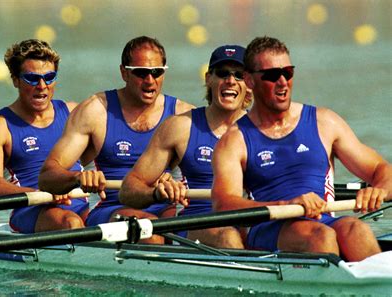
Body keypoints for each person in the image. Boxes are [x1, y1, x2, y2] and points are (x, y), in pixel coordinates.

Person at [211, 36, 391, 261]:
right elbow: (223, 204)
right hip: (270, 228)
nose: (283, 82)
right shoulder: (234, 141)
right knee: (320, 237)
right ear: (249, 81)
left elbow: (382, 170)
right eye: (272, 75)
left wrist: (379, 191)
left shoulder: (325, 122)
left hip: (322, 220)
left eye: (288, 72)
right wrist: (286, 204)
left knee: (357, 230)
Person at [38, 36, 194, 244]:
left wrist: (179, 183)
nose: (150, 80)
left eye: (157, 72)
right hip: (112, 211)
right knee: (151, 232)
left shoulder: (184, 115)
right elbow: (47, 176)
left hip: (164, 211)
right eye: (141, 72)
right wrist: (77, 178)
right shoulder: (96, 111)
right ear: (124, 72)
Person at [119, 45, 251, 248]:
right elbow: (128, 190)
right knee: (229, 237)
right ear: (208, 79)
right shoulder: (181, 127)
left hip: (249, 221)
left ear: (249, 82)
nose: (231, 81)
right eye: (222, 73)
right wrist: (156, 193)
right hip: (195, 224)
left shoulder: (265, 130)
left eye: (239, 75)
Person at [0, 39, 88, 234]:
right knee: (72, 224)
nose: (42, 86)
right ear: (16, 80)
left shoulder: (74, 113)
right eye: (32, 78)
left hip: (78, 205)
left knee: (125, 220)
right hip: (32, 209)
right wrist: (41, 194)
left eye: (49, 77)